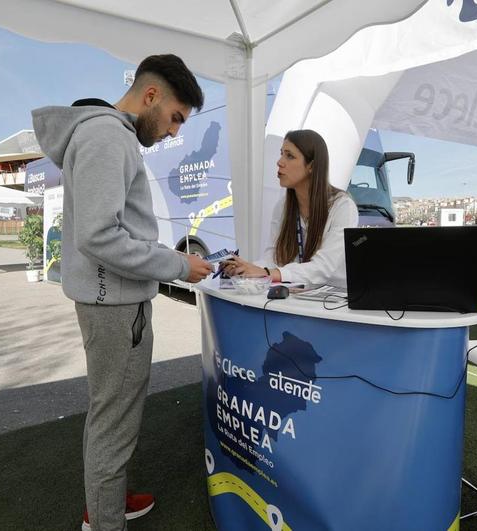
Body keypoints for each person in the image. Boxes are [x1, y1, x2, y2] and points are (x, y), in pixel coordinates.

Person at [31, 54, 213, 531]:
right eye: (176, 117)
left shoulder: (104, 134)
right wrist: (178, 265)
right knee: (114, 419)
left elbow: (106, 231)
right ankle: (105, 518)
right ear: (150, 95)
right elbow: (100, 236)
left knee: (113, 412)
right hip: (114, 306)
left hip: (109, 301)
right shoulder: (108, 135)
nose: (175, 132)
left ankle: (107, 500)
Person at [223, 129, 359, 287]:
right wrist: (244, 267)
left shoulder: (342, 206)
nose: (279, 162)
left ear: (312, 166)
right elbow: (274, 258)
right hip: (299, 297)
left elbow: (323, 267)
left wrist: (267, 273)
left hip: (334, 301)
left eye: (289, 156)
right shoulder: (282, 207)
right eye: (281, 153)